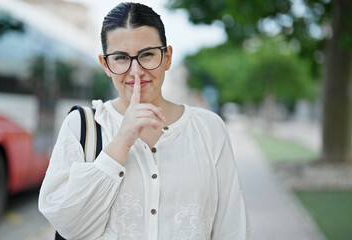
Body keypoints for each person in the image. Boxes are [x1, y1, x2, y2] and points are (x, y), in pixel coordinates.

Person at [39, 2, 248, 239]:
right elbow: (68, 225)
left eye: (147, 55)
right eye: (120, 58)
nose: (136, 71)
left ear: (167, 57)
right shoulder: (82, 126)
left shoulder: (210, 129)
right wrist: (120, 144)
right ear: (106, 64)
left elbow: (231, 227)